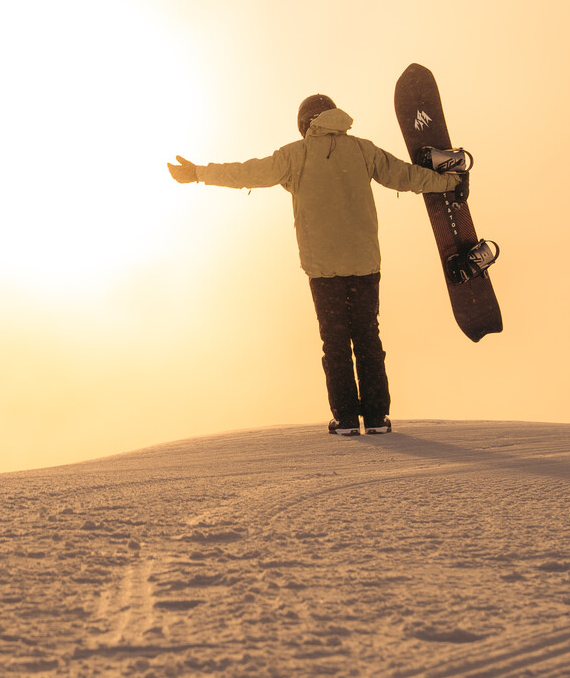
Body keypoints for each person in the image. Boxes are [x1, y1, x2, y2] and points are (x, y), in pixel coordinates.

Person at [166, 94, 466, 437]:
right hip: (364, 263)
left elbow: (249, 173)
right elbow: (406, 177)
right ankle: (378, 418)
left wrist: (199, 173)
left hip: (323, 269)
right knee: (368, 337)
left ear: (305, 122)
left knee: (335, 343)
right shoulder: (363, 150)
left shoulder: (295, 155)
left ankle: (347, 420)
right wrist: (450, 183)